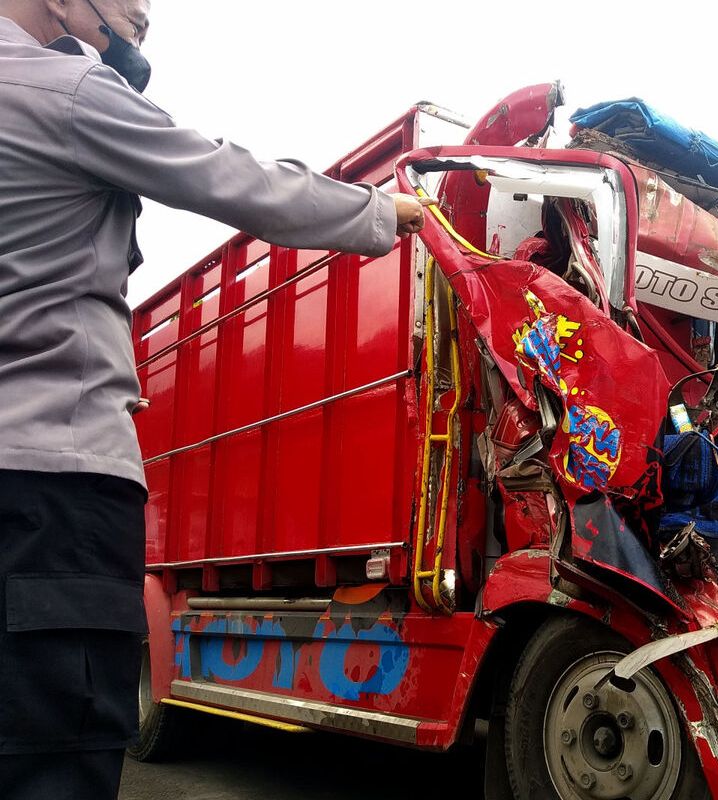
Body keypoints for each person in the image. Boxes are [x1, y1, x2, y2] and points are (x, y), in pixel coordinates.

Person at [0, 1, 435, 797]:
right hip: (53, 495)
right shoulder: (66, 90)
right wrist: (387, 211)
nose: (140, 19)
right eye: (130, 3)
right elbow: (233, 179)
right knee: (53, 761)